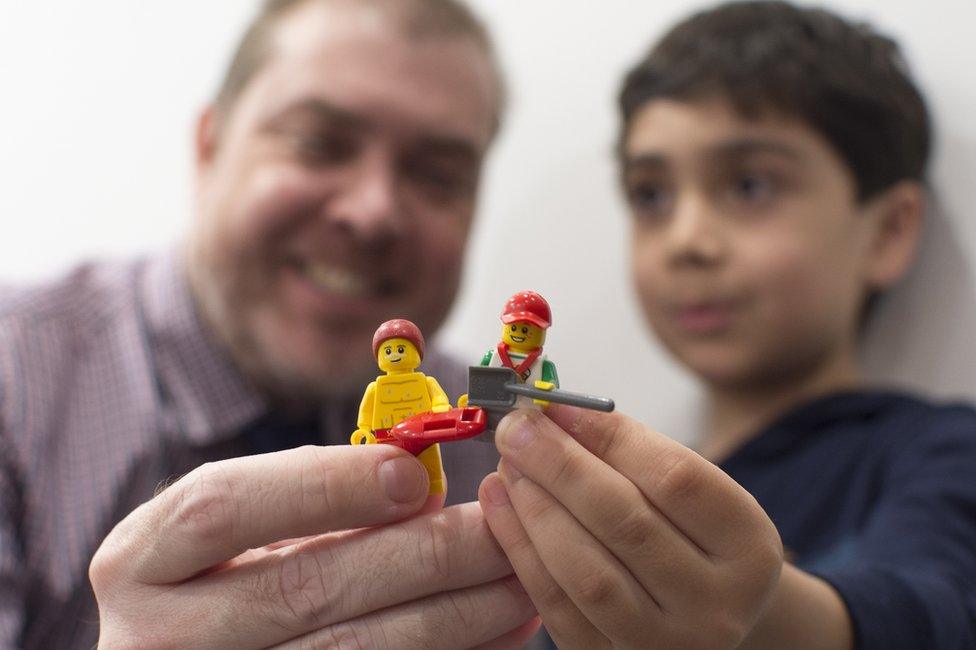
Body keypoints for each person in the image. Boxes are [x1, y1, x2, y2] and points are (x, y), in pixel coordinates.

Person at [0, 0, 543, 647]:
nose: (373, 211)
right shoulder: (15, 382)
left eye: (438, 175)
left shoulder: (501, 444)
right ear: (209, 147)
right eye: (318, 143)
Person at [478, 2, 976, 648]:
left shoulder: (939, 452)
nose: (687, 240)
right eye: (651, 195)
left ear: (888, 231)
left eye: (749, 185)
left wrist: (766, 615)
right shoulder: (608, 501)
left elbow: (935, 607)